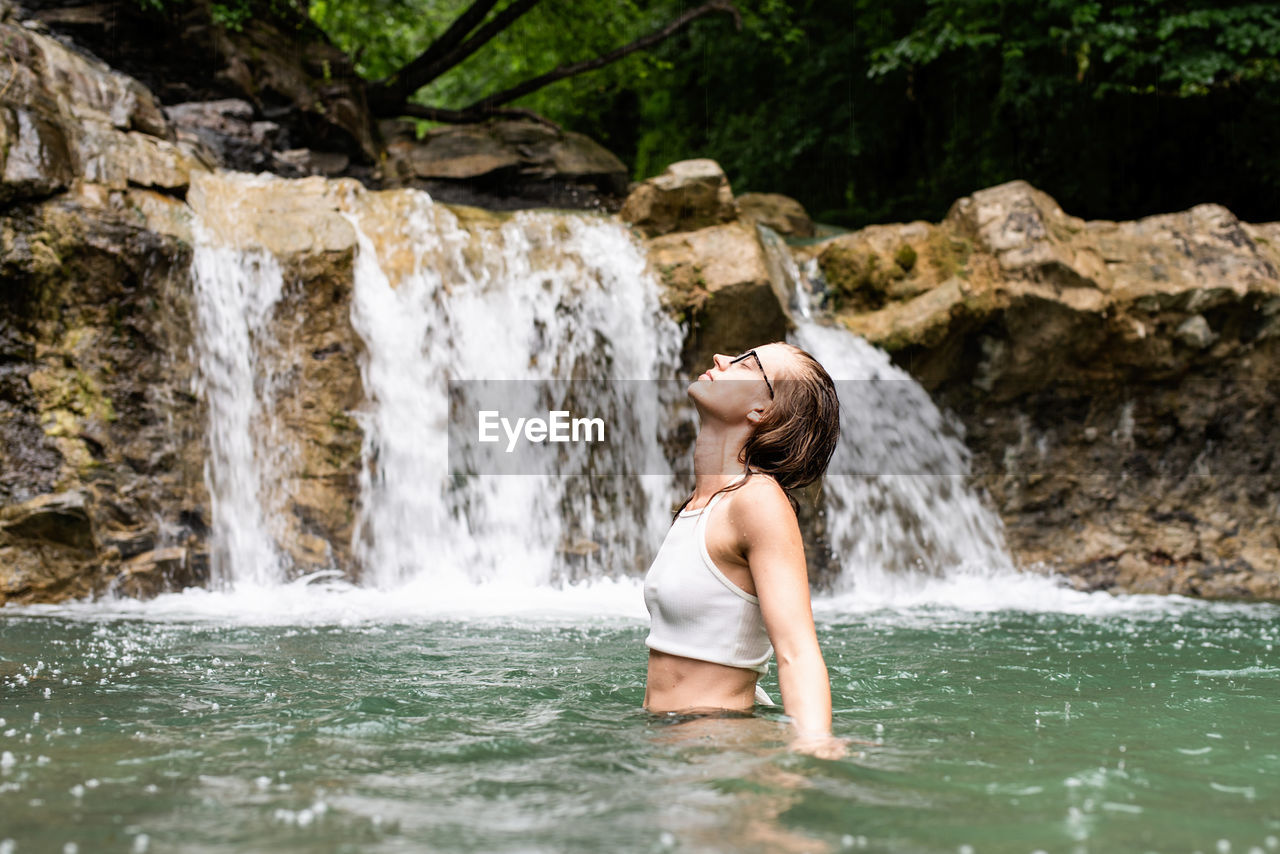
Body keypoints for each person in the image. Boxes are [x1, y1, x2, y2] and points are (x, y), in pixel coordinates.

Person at [643, 342, 845, 757]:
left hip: (722, 756)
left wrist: (815, 747)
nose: (720, 358)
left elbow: (797, 652)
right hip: (677, 748)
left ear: (761, 411)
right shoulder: (701, 505)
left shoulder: (757, 501)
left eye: (746, 364)